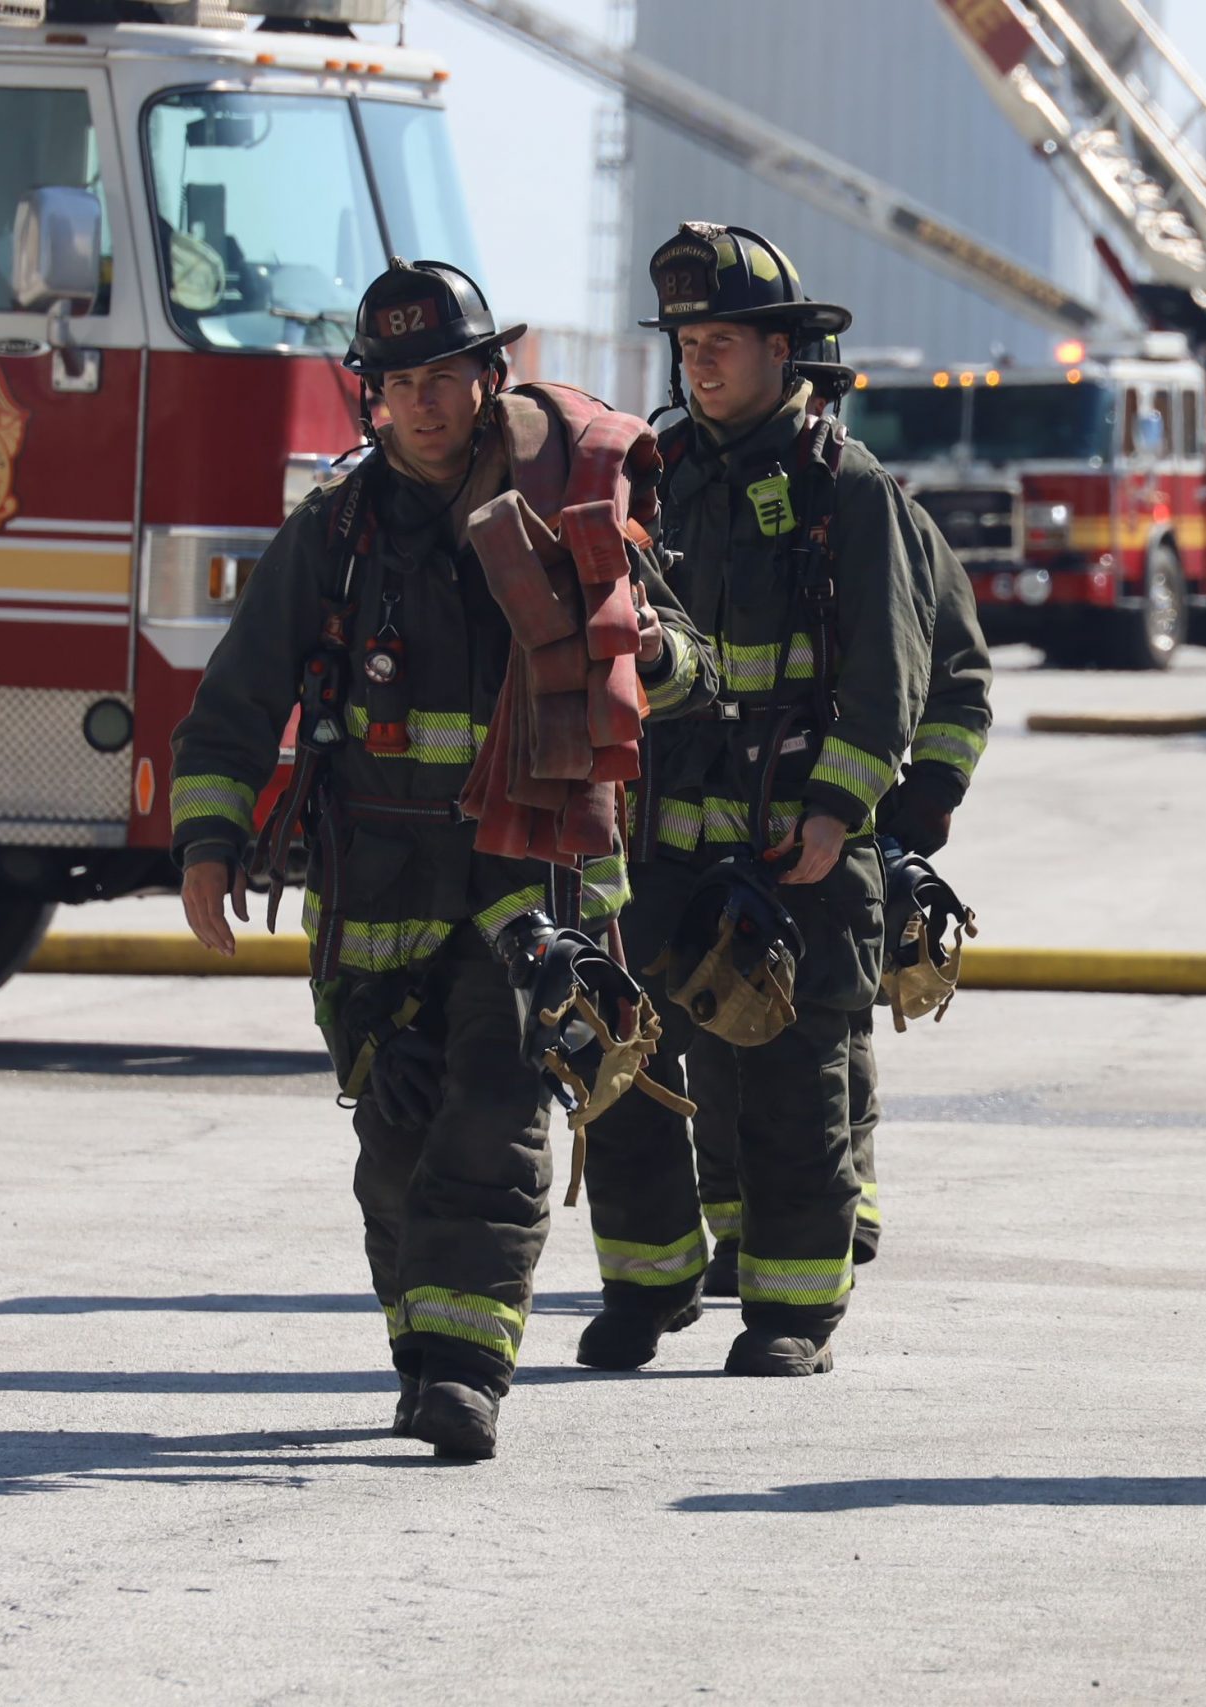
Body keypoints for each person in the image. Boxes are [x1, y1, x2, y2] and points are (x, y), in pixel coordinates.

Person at [169, 259, 715, 1459]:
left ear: (488, 376)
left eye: (446, 377)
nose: (423, 404)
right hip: (376, 895)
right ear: (369, 397)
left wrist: (630, 653)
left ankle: (465, 1371)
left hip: (536, 886)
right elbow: (231, 704)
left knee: (499, 1116)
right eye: (398, 382)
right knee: (398, 1144)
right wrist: (208, 841)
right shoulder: (333, 533)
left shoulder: (570, 506)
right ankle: (423, 1351)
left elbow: (691, 662)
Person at [572, 222, 933, 1379]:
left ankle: (792, 1313)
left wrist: (834, 812)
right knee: (616, 1064)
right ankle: (648, 1286)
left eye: (720, 340)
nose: (698, 362)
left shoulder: (848, 491)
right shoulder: (654, 479)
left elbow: (891, 679)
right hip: (658, 852)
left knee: (791, 1092)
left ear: (784, 351)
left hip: (800, 852)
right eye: (685, 343)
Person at [690, 411, 994, 1288]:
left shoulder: (875, 512)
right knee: (721, 1030)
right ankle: (742, 1231)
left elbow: (957, 675)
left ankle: (843, 1205)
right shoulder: (700, 492)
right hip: (719, 824)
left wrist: (922, 801)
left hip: (851, 819)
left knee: (831, 1023)